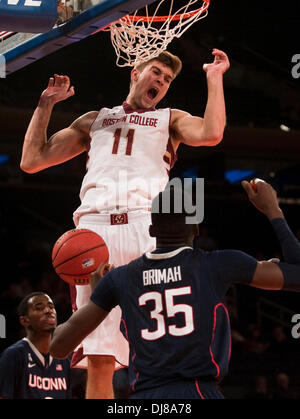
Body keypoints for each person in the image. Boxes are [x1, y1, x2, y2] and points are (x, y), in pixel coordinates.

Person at [20, 48, 230, 398]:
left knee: (160, 345)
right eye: (157, 73)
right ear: (136, 73)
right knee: (100, 356)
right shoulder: (93, 119)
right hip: (93, 232)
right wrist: (45, 104)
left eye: (167, 79)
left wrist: (214, 78)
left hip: (146, 227)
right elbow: (32, 160)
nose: (161, 82)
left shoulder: (170, 119)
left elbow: (211, 132)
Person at [50, 178, 300, 399]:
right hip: (200, 391)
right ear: (195, 228)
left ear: (151, 230)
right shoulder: (220, 264)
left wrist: (98, 293)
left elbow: (58, 346)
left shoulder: (119, 279)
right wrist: (273, 210)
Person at [0, 292, 71, 399]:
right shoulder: (14, 355)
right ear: (24, 320)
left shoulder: (63, 359)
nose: (48, 310)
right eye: (39, 308)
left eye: (51, 307)